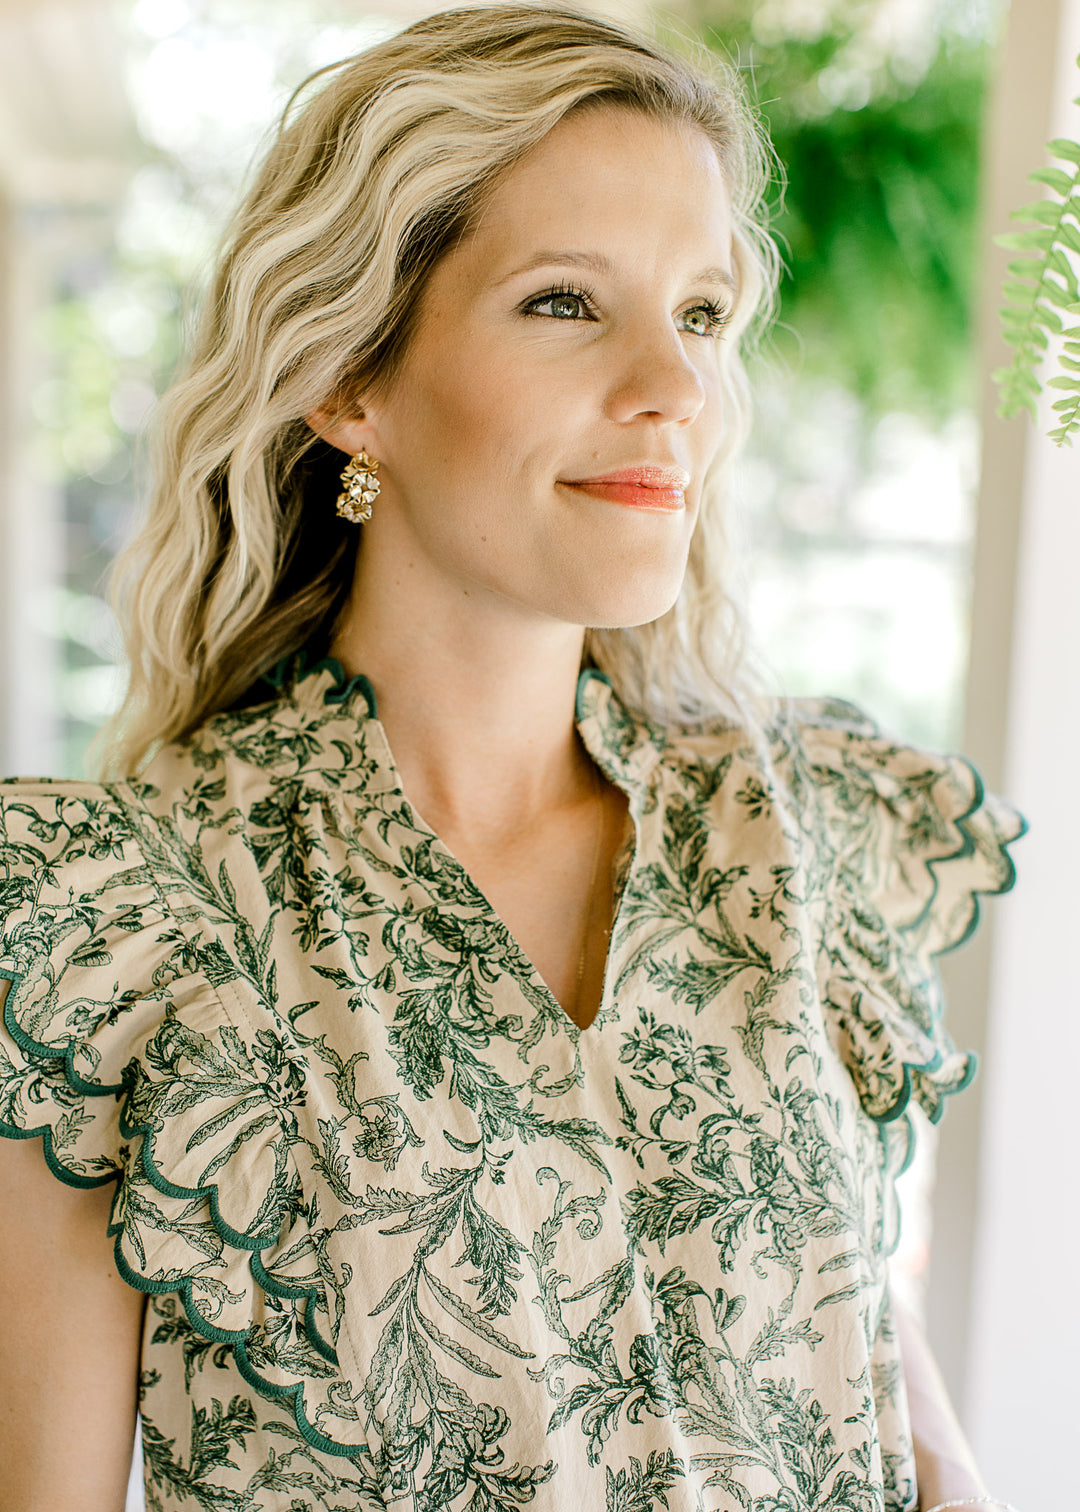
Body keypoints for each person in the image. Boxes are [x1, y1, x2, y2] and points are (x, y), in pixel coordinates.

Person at [0, 7, 1025, 1511]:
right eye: (564, 303)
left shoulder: (792, 842)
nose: (673, 390)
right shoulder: (136, 926)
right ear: (354, 382)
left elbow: (923, 1457)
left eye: (700, 314)